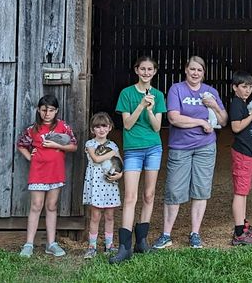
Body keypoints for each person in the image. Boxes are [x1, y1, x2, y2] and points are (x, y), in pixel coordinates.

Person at [154, 55, 227, 250]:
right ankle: (166, 234)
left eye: (199, 70)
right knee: (174, 190)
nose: (195, 73)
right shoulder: (176, 89)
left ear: (203, 73)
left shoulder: (210, 92)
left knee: (201, 189)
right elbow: (174, 118)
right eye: (192, 69)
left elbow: (224, 120)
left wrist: (213, 107)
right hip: (180, 147)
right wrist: (201, 122)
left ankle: (195, 233)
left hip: (206, 146)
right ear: (186, 70)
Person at [110, 55, 167, 262]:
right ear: (136, 70)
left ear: (154, 72)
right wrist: (142, 105)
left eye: (150, 69)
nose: (146, 73)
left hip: (153, 148)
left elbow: (157, 127)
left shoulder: (158, 95)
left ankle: (142, 242)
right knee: (130, 197)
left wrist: (151, 110)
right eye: (142, 69)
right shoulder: (126, 94)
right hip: (133, 149)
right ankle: (124, 247)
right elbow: (127, 124)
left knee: (149, 195)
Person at [15, 94, 78, 257]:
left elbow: (73, 146)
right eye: (44, 110)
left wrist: (57, 145)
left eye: (51, 110)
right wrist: (31, 157)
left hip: (56, 172)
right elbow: (21, 145)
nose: (47, 113)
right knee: (36, 205)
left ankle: (51, 243)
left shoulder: (63, 127)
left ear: (56, 111)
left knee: (52, 206)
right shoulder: (33, 129)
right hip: (38, 172)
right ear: (38, 110)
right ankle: (28, 244)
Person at [227, 71, 252, 246]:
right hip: (242, 153)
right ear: (235, 87)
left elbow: (247, 126)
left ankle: (243, 225)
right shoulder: (236, 104)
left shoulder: (243, 103)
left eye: (250, 86)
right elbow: (236, 127)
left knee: (244, 192)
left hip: (249, 152)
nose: (247, 90)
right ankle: (238, 232)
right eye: (243, 86)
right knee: (240, 193)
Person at [83, 111, 123, 257]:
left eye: (104, 126)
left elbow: (119, 162)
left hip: (110, 184)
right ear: (92, 129)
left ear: (110, 127)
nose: (101, 129)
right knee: (95, 216)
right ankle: (92, 246)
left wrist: (120, 174)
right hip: (96, 184)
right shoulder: (90, 144)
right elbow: (95, 159)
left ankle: (109, 245)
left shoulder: (113, 145)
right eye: (97, 127)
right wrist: (112, 153)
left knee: (110, 216)